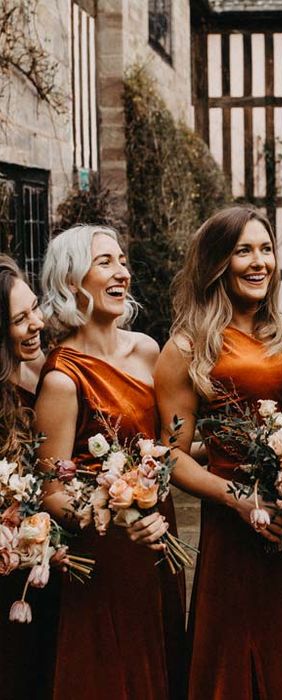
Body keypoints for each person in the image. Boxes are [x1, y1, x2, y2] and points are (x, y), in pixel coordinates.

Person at [154, 206, 282, 700]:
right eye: (243, 250)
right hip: (231, 528)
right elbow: (170, 455)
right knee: (231, 657)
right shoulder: (186, 347)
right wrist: (239, 498)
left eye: (265, 249)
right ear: (217, 262)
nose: (258, 262)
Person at [34, 225, 186, 700]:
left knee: (163, 652)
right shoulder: (62, 377)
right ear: (72, 279)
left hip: (160, 532)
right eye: (105, 262)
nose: (121, 272)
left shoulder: (147, 349)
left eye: (122, 260)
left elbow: (170, 443)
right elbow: (51, 489)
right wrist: (112, 514)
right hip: (104, 549)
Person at [0, 255, 56, 700]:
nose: (37, 322)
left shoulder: (53, 370)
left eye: (34, 307)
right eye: (20, 319)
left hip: (50, 566)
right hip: (10, 571)